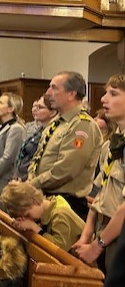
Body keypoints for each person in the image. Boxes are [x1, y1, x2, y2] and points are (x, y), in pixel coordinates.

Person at [28, 71, 102, 219]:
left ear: (71, 94)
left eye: (54, 88)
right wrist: (30, 178)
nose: (48, 93)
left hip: (67, 204)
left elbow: (66, 169)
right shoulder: (57, 122)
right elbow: (38, 156)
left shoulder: (82, 124)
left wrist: (32, 184)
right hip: (44, 197)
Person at [73, 74, 125, 274]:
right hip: (105, 231)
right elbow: (101, 194)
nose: (103, 99)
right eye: (105, 93)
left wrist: (97, 245)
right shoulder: (111, 144)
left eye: (113, 94)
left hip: (118, 236)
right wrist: (87, 234)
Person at [0, 181, 84, 252]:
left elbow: (59, 249)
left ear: (34, 201)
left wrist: (34, 227)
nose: (27, 220)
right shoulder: (45, 211)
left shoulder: (59, 214)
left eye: (27, 215)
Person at [14, 95, 57, 181]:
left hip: (34, 180)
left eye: (40, 107)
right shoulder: (38, 131)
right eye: (35, 106)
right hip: (22, 176)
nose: (35, 109)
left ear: (52, 112)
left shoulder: (53, 132)